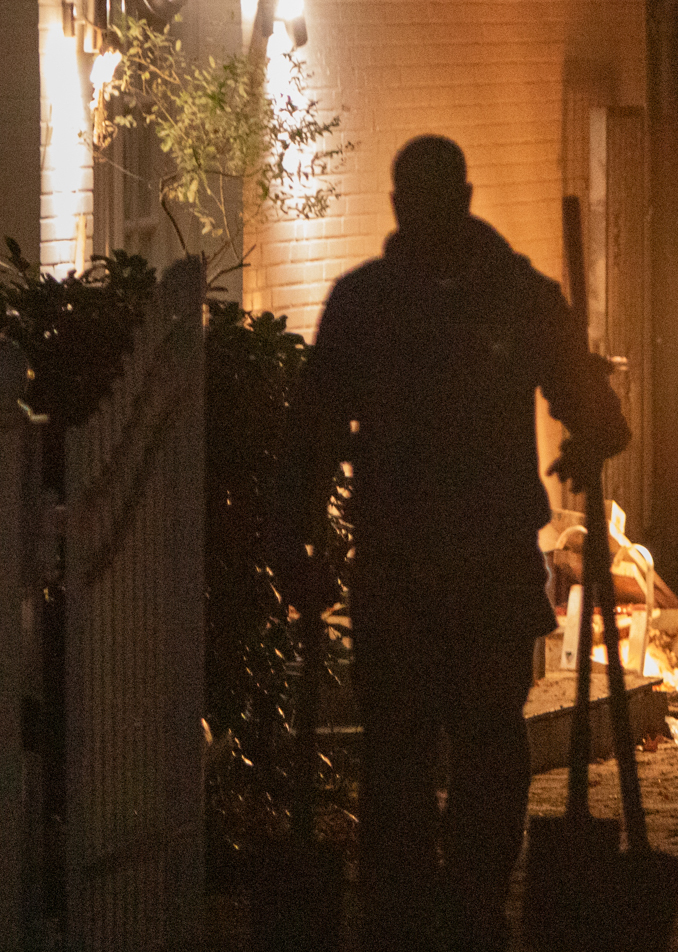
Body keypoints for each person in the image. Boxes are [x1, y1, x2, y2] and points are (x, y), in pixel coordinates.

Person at [270, 135, 629, 952]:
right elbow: (312, 435)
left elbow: (601, 415)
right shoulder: (478, 299)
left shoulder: (427, 301)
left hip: (463, 563)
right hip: (416, 564)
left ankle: (452, 913)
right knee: (437, 748)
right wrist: (296, 542)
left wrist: (590, 440)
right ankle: (431, 914)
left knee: (461, 748)